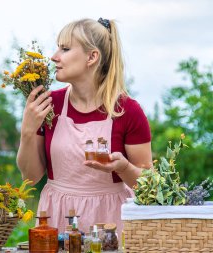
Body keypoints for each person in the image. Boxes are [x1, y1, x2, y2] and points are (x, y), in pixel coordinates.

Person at [16, 18, 153, 239]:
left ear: (92, 57)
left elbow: (149, 185)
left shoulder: (127, 110)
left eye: (65, 48)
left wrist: (124, 168)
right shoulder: (50, 105)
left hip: (111, 223)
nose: (54, 56)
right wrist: (28, 131)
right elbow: (30, 177)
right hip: (56, 217)